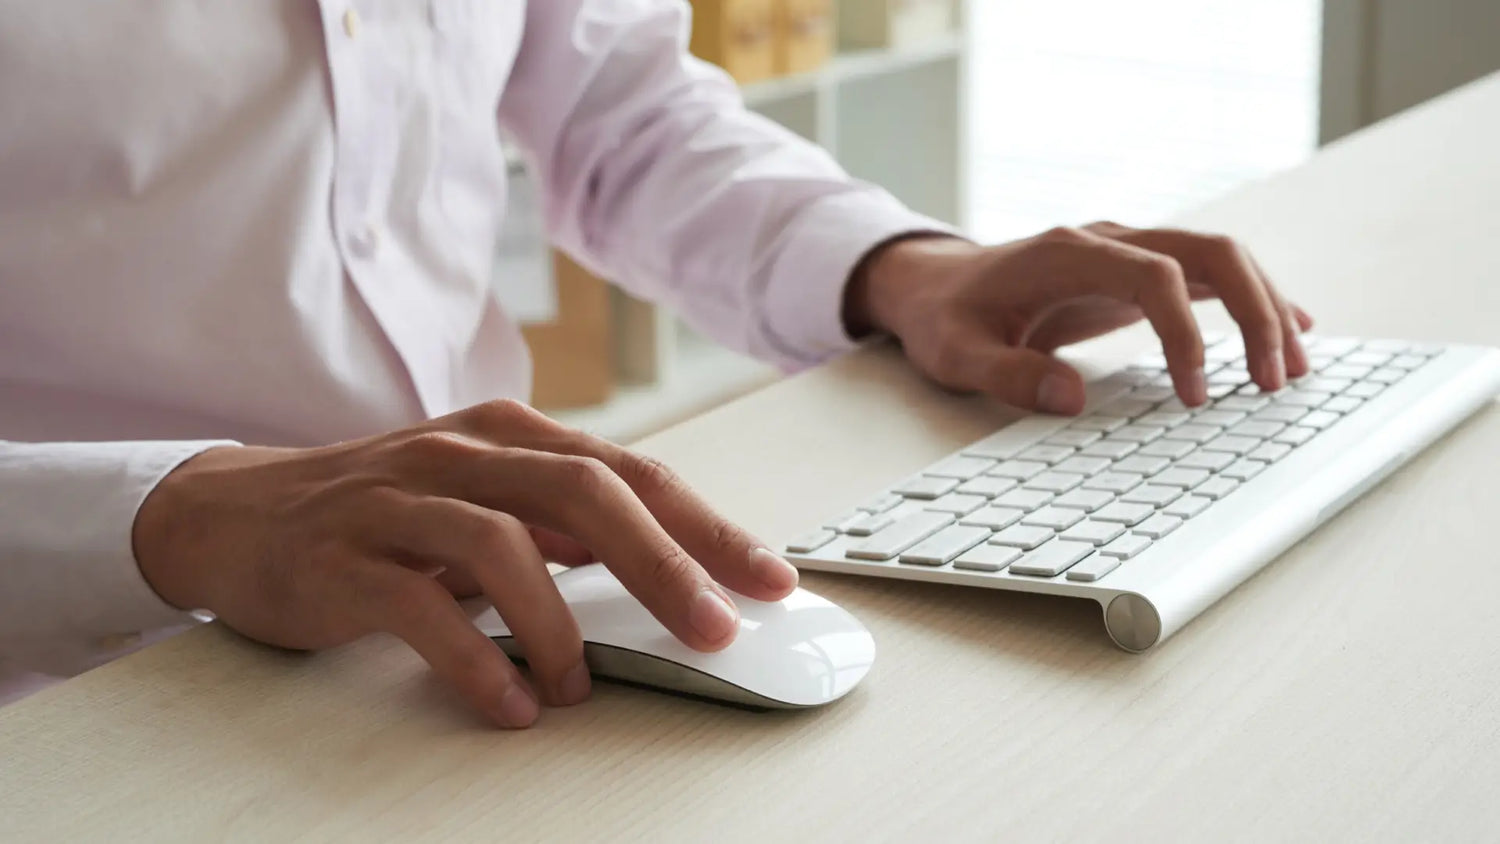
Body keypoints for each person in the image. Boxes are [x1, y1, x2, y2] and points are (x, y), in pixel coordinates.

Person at [0, 0, 1312, 726]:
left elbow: (618, 108)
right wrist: (163, 511)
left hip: (475, 630)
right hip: (76, 695)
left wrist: (897, 267)